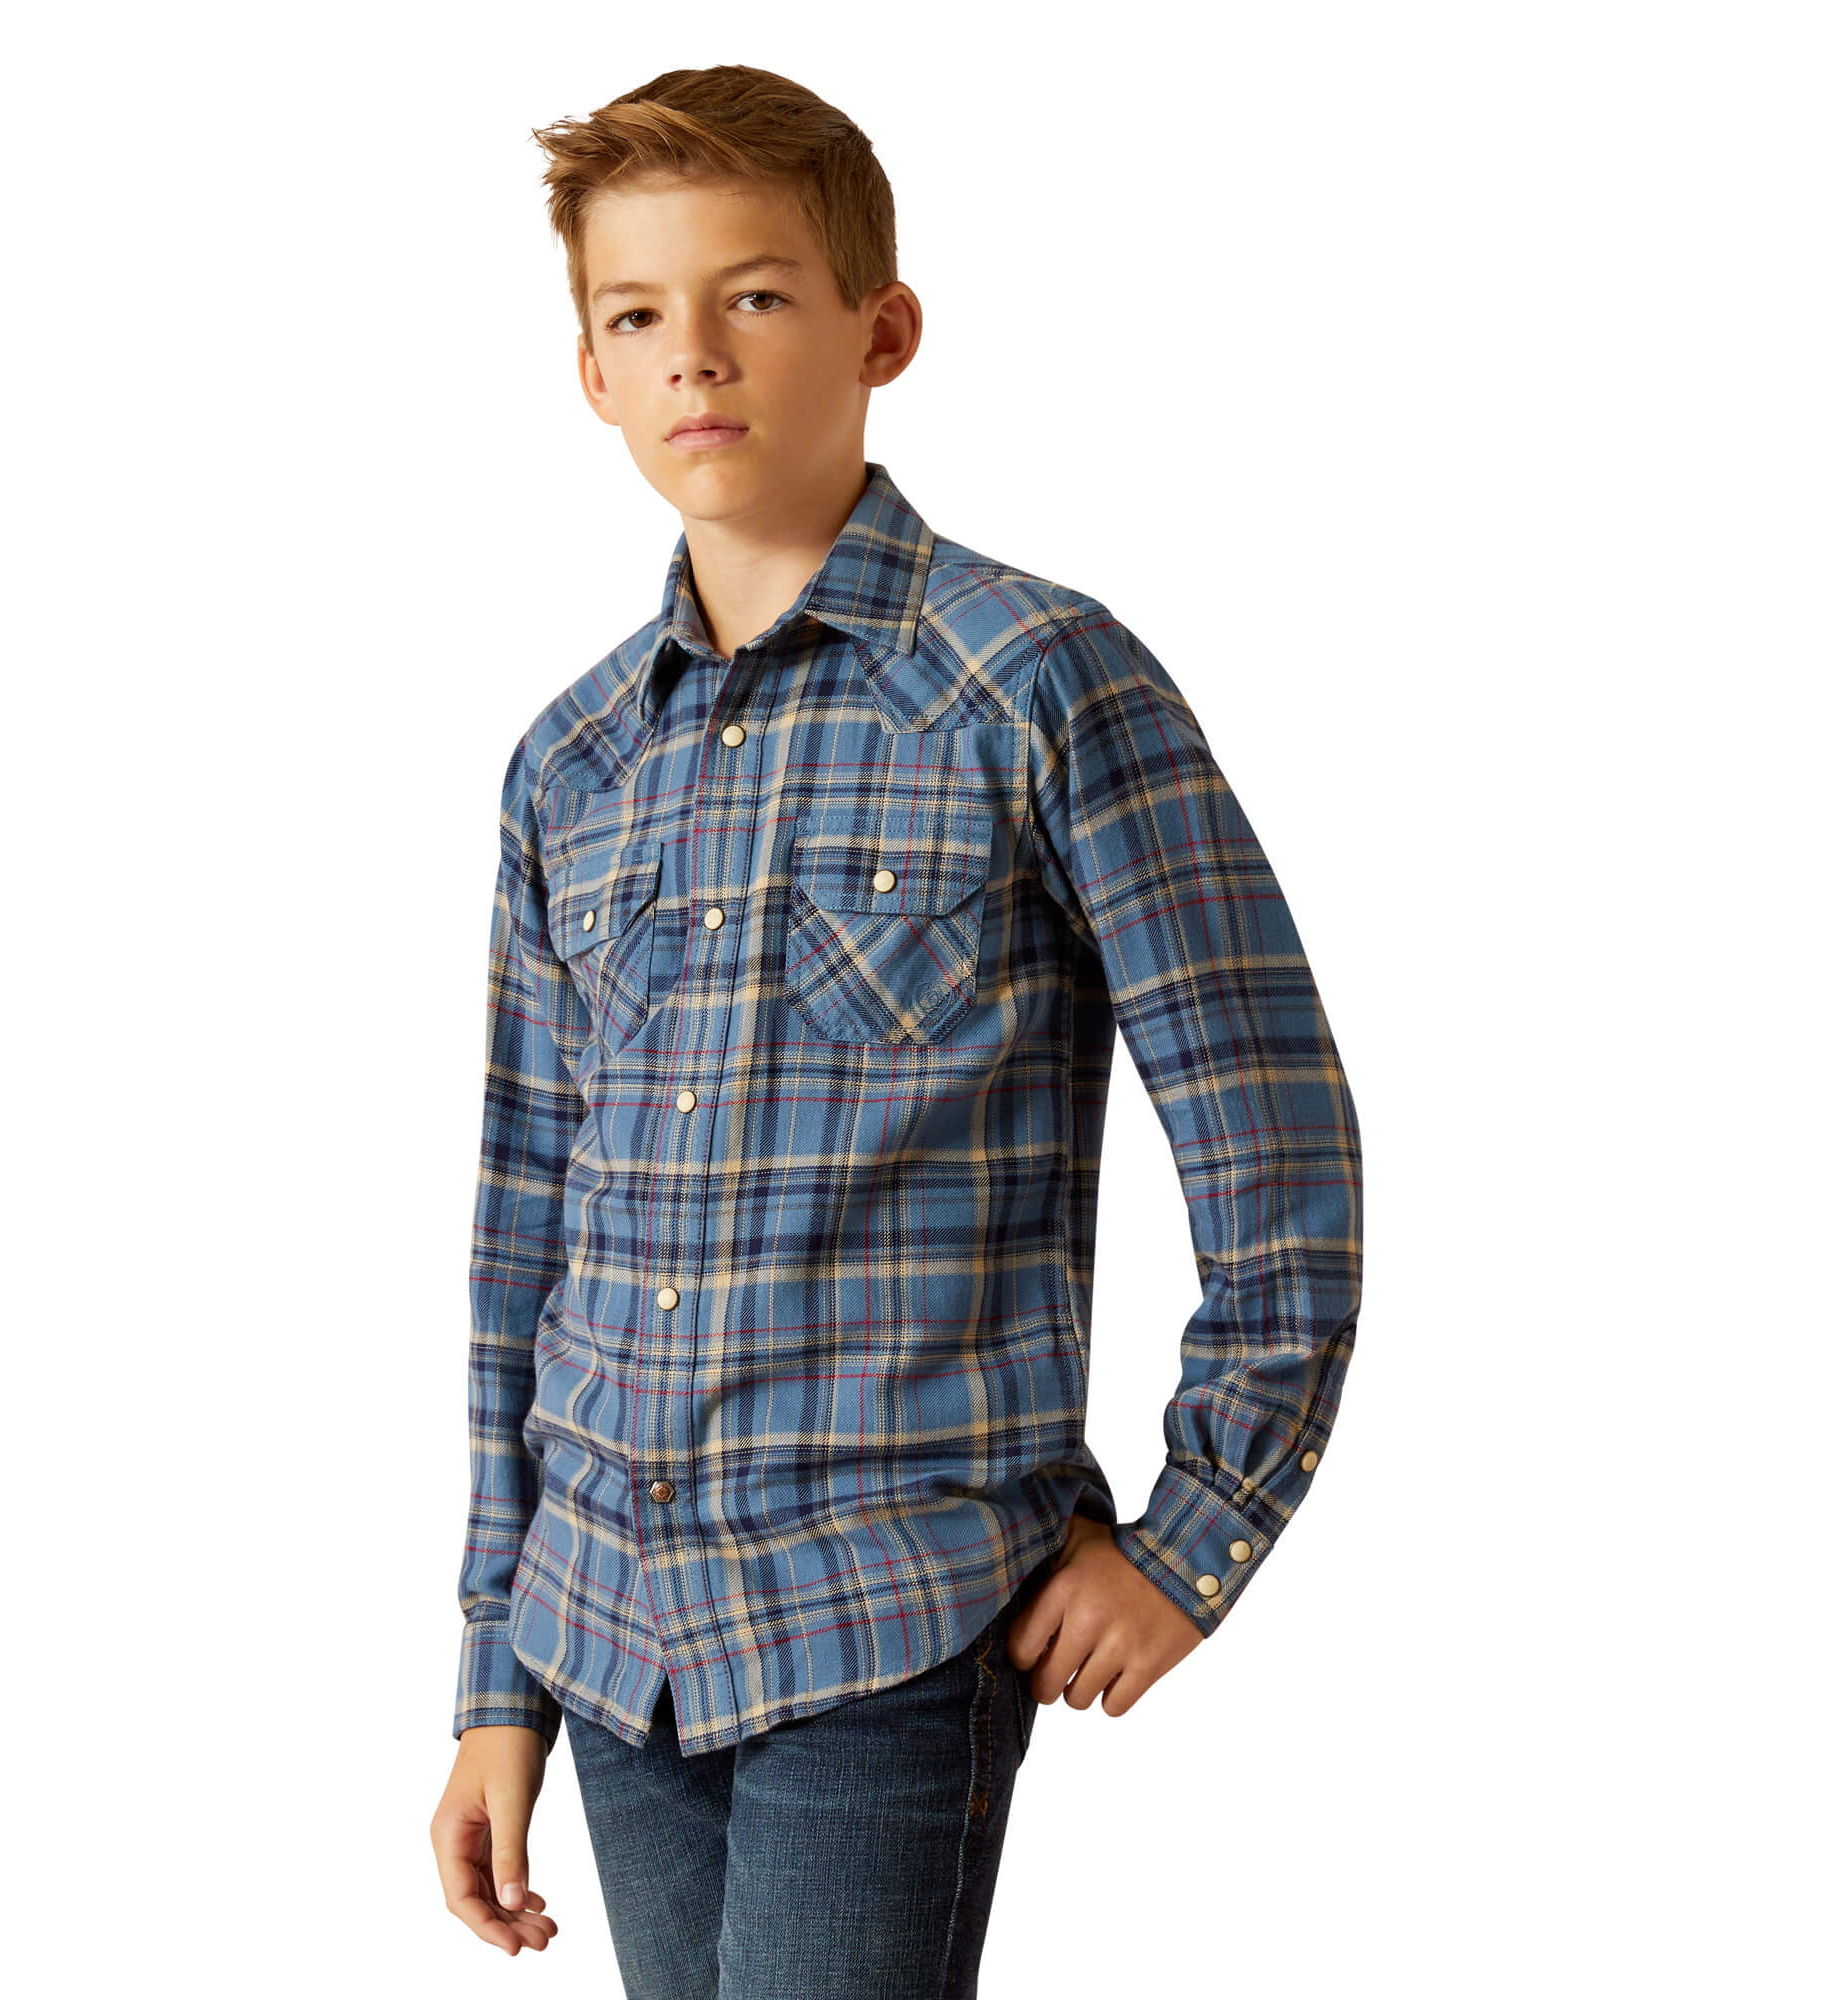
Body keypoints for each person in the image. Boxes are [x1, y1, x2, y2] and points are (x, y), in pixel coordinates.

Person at [429, 63, 1362, 1999]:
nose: (695, 355)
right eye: (637, 315)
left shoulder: (1037, 682)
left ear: (883, 329)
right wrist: (491, 1676)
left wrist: (1196, 1532)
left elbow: (1269, 1133)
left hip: (891, 1615)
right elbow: (526, 1239)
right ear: (590, 373)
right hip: (605, 1631)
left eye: (755, 294)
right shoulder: (568, 762)